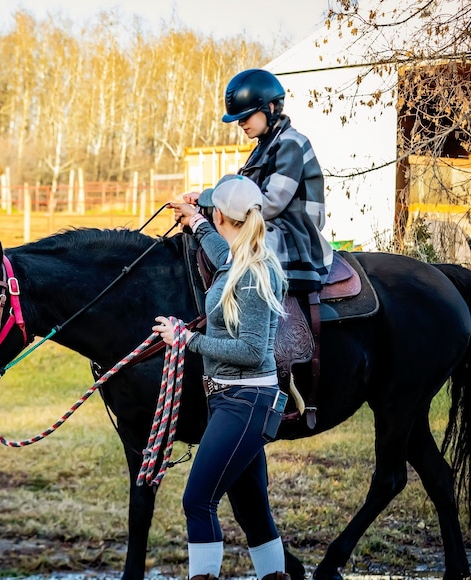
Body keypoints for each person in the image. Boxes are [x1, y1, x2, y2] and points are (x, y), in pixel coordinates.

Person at [153, 175, 290, 580]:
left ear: (222, 215)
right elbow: (217, 250)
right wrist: (194, 221)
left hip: (243, 402)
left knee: (198, 501)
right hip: (234, 401)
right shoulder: (240, 257)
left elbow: (250, 351)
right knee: (252, 510)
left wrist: (186, 339)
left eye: (211, 211)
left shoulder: (252, 274)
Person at [200, 68, 334, 294]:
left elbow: (267, 204)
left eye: (246, 116)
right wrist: (203, 205)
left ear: (270, 108)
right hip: (267, 227)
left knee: (232, 262)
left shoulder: (290, 143)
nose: (241, 123)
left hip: (292, 235)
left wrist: (210, 200)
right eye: (238, 119)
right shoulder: (264, 146)